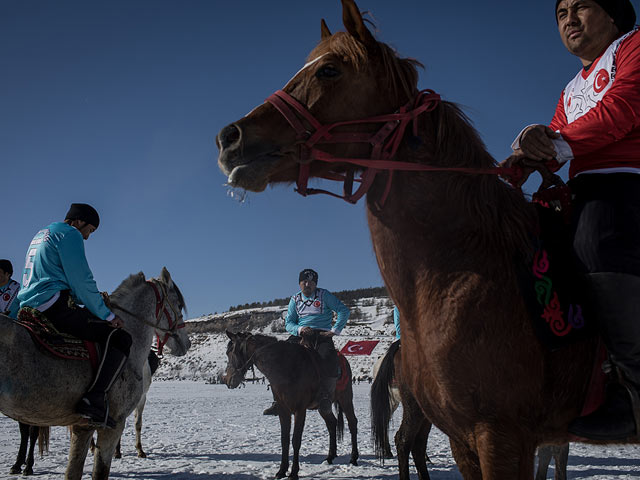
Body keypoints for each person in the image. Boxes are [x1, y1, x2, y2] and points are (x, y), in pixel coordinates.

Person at [505, 0, 639, 440]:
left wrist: (553, 141)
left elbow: (622, 108)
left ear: (615, 16)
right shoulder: (571, 89)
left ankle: (633, 391)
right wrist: (518, 163)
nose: (569, 20)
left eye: (581, 7)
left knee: (594, 240)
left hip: (628, 180)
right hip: (582, 190)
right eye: (561, 13)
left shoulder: (634, 45)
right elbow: (554, 144)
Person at [17, 203, 132, 428]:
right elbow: (81, 280)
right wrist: (108, 316)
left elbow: (55, 278)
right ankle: (94, 399)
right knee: (120, 339)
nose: (87, 237)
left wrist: (85, 299)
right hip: (52, 307)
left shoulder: (42, 234)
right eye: (90, 230)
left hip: (28, 306)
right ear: (79, 222)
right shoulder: (69, 234)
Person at [263, 268, 350, 415]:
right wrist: (301, 329)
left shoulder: (324, 295)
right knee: (280, 359)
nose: (307, 284)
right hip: (301, 333)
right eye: (304, 281)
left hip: (321, 334)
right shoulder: (295, 299)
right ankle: (278, 400)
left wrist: (334, 330)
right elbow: (289, 323)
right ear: (299, 283)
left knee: (327, 358)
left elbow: (343, 311)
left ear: (315, 284)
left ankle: (324, 398)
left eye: (311, 282)